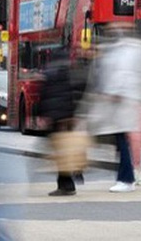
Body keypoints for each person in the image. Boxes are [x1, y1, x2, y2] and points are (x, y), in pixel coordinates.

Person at [82, 22, 141, 193]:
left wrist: (113, 91)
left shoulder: (128, 51)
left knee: (122, 140)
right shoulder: (133, 49)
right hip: (124, 102)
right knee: (121, 141)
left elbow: (123, 74)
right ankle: (126, 177)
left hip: (122, 103)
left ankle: (126, 178)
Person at [38, 48, 80, 196]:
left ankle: (66, 185)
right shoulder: (69, 73)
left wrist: (41, 114)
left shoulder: (50, 73)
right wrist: (73, 115)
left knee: (60, 152)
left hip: (55, 118)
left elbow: (44, 95)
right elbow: (74, 94)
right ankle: (70, 180)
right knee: (67, 149)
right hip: (67, 118)